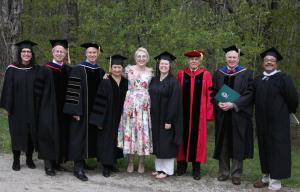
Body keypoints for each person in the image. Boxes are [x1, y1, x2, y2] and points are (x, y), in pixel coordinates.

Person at [253, 48, 298, 191]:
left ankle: (275, 183)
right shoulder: (258, 79)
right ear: (263, 63)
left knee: (277, 149)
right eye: (267, 61)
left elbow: (293, 99)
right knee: (264, 148)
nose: (269, 63)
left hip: (278, 122)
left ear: (276, 64)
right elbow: (251, 98)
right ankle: (266, 177)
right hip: (262, 121)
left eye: (272, 61)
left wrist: (286, 112)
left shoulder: (284, 78)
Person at [63, 42, 105, 181]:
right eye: (90, 53)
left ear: (97, 54)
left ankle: (85, 162)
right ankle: (78, 167)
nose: (92, 55)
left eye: (94, 53)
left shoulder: (100, 71)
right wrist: (74, 110)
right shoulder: (78, 70)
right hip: (81, 111)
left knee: (91, 137)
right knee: (79, 138)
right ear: (86, 54)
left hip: (95, 112)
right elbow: (72, 92)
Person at [213, 45, 253, 185]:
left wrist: (234, 104)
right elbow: (214, 91)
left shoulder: (246, 73)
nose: (231, 59)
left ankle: (236, 174)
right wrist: (218, 103)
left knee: (238, 143)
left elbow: (249, 94)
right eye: (229, 57)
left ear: (238, 58)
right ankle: (223, 172)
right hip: (222, 115)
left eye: (234, 57)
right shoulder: (219, 73)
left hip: (238, 115)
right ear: (225, 58)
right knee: (223, 143)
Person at [34, 39, 72, 176]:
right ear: (52, 52)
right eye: (57, 51)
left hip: (64, 110)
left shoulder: (68, 69)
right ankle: (48, 164)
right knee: (49, 134)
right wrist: (39, 109)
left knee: (61, 134)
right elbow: (37, 92)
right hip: (48, 108)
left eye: (62, 51)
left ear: (65, 53)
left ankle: (57, 162)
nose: (59, 53)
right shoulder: (44, 69)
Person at [176, 50, 214, 180]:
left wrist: (209, 114)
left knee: (197, 141)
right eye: (191, 59)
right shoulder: (181, 74)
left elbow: (210, 95)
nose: (193, 61)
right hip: (183, 114)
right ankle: (181, 166)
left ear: (200, 61)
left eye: (196, 59)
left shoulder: (206, 75)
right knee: (182, 139)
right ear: (188, 61)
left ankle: (196, 169)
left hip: (199, 115)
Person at [0, 40, 38, 171]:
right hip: (16, 109)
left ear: (32, 54)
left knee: (31, 133)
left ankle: (29, 158)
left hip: (32, 108)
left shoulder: (36, 70)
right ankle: (16, 159)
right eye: (24, 51)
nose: (26, 54)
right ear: (20, 53)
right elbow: (7, 89)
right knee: (16, 133)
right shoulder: (12, 69)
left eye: (29, 52)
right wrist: (7, 107)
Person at [89, 54, 128, 177]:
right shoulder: (106, 81)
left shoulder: (126, 82)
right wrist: (99, 120)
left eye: (119, 67)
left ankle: (113, 163)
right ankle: (105, 166)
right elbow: (99, 102)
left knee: (117, 140)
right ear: (111, 68)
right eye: (115, 67)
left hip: (120, 117)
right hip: (107, 118)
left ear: (122, 68)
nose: (117, 70)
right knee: (106, 140)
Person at [117, 47, 153, 174]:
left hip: (144, 106)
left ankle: (142, 163)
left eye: (144, 56)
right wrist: (106, 75)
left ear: (147, 58)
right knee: (130, 132)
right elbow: (116, 75)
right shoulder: (129, 69)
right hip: (131, 104)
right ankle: (130, 162)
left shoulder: (151, 72)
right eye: (139, 56)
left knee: (142, 133)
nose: (141, 59)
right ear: (135, 58)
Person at [149, 51, 183, 179]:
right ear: (158, 65)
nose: (163, 66)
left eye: (166, 64)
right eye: (161, 63)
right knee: (158, 142)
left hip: (167, 118)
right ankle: (158, 168)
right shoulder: (154, 80)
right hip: (155, 117)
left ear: (170, 66)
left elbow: (174, 103)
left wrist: (169, 120)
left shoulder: (173, 82)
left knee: (167, 143)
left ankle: (167, 170)